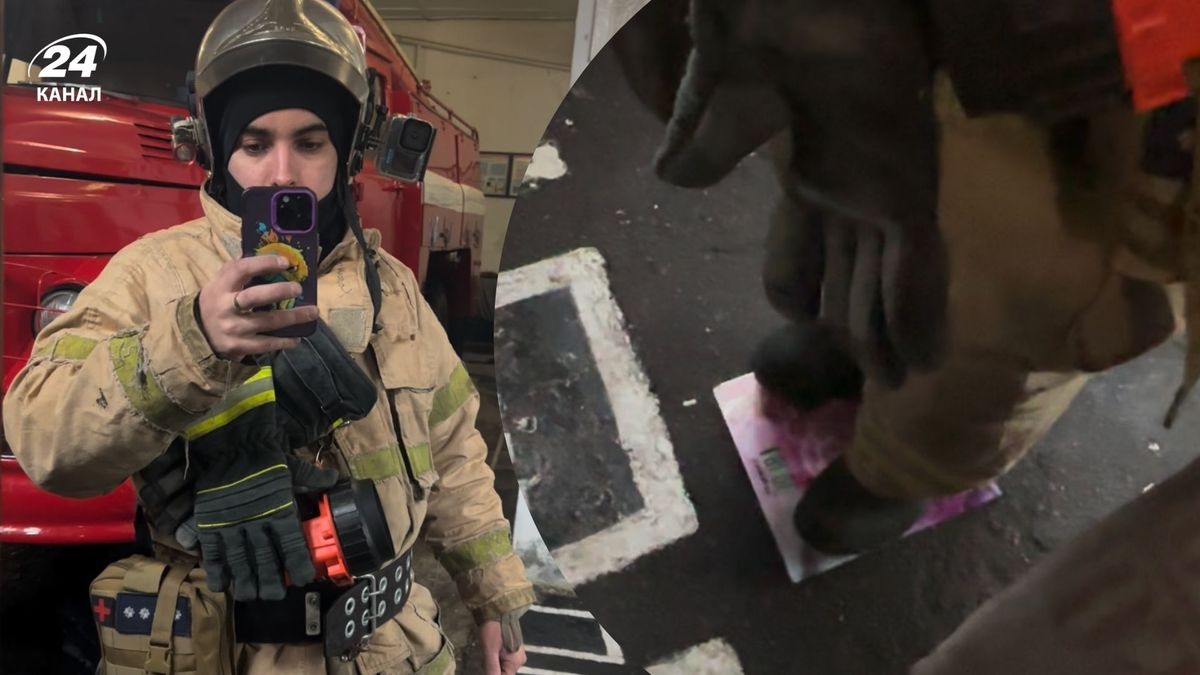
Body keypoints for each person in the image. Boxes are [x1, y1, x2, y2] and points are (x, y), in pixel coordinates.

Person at [2, 1, 534, 673]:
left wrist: (493, 593)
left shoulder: (393, 286)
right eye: (255, 145)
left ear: (346, 152)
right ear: (218, 151)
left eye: (310, 143)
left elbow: (454, 449)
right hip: (227, 651)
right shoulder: (152, 275)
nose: (282, 172)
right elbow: (45, 442)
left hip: (392, 645)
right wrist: (193, 340)